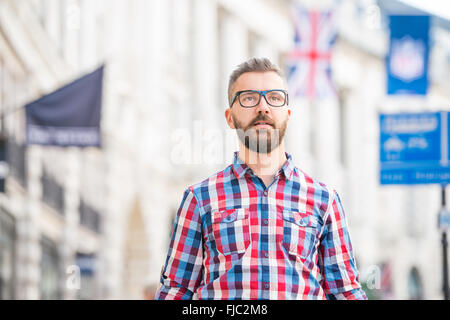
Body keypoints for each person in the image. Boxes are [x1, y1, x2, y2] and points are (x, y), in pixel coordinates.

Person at [155, 57, 367, 300]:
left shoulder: (325, 200)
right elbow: (176, 290)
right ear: (229, 116)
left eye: (274, 98)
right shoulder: (199, 198)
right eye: (249, 98)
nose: (263, 108)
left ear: (287, 113)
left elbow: (345, 292)